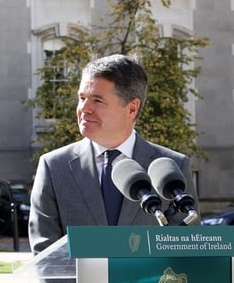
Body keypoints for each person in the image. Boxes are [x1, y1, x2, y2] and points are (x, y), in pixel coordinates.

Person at [28, 54, 196, 254]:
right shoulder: (54, 167)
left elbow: (186, 253)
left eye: (97, 101)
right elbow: (44, 254)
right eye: (82, 98)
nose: (84, 109)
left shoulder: (172, 169)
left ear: (132, 108)